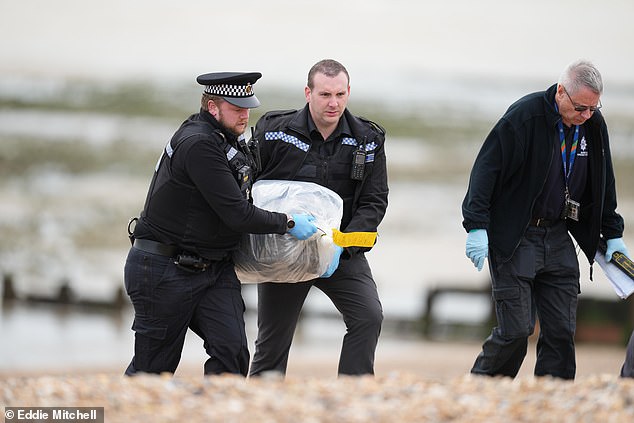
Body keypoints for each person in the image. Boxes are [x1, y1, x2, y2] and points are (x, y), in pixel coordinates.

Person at [124, 71, 318, 377]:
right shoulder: (198, 144)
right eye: (237, 108)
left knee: (232, 355)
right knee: (153, 372)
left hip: (214, 270)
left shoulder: (226, 138)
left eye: (248, 107)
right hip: (163, 270)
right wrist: (289, 222)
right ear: (212, 107)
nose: (245, 115)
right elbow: (237, 214)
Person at [462, 59, 630, 380]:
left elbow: (603, 182)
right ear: (561, 93)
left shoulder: (593, 125)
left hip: (558, 234)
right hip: (516, 235)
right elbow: (485, 172)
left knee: (561, 331)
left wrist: (613, 234)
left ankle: (553, 396)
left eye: (594, 108)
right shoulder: (524, 117)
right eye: (581, 107)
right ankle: (481, 388)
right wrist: (476, 226)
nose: (587, 116)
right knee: (516, 331)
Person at [248, 59, 388, 377]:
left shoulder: (368, 139)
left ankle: (352, 393)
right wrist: (274, 227)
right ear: (308, 92)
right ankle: (260, 405)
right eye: (325, 94)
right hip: (284, 250)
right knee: (271, 344)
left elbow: (373, 202)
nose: (333, 103)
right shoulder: (273, 130)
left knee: (368, 317)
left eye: (340, 94)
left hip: (339, 250)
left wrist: (342, 247)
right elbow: (249, 190)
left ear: (349, 92)